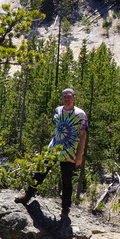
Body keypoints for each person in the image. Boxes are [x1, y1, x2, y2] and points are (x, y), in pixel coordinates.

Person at [16, 87, 87, 216]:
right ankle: (27, 196)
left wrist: (79, 155)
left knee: (67, 181)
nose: (67, 98)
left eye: (69, 96)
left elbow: (83, 135)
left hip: (69, 151)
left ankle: (65, 209)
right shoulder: (58, 110)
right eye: (64, 96)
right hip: (54, 148)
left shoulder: (80, 114)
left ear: (74, 97)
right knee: (40, 172)